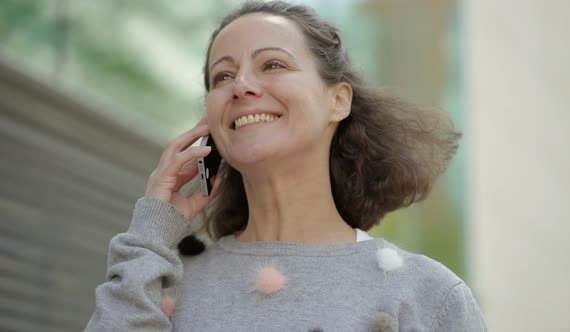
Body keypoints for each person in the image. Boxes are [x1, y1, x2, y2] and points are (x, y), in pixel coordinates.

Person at [85, 1, 487, 331]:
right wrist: (152, 230)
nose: (241, 85)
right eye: (222, 75)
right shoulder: (161, 283)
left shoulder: (429, 296)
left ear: (339, 101)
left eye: (273, 65)